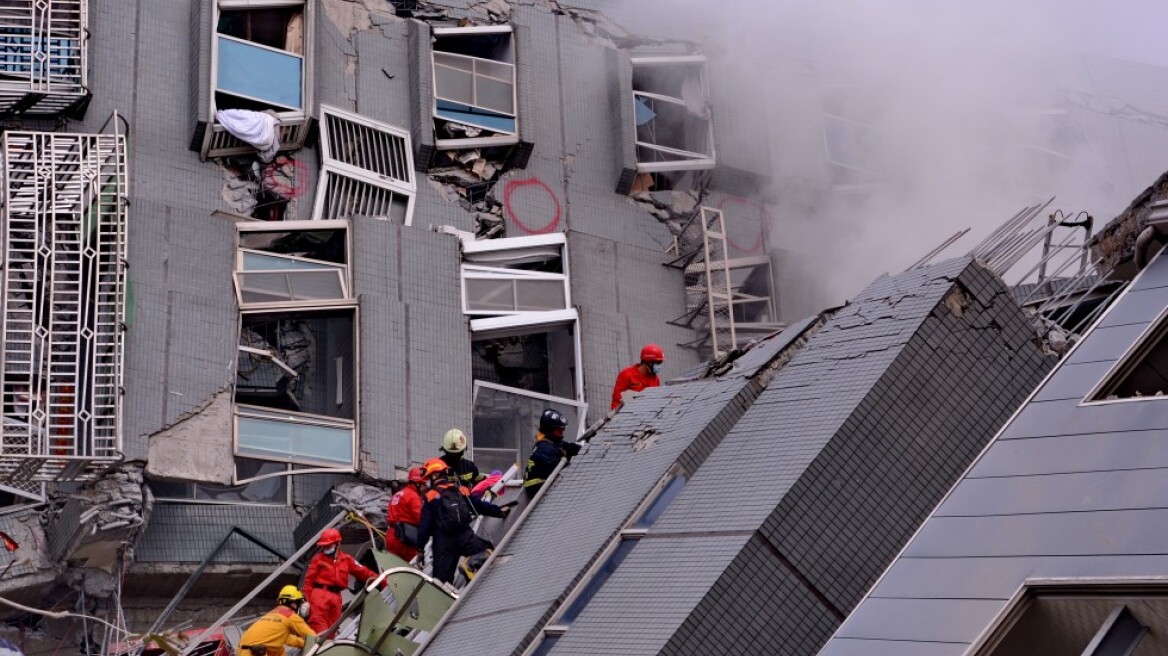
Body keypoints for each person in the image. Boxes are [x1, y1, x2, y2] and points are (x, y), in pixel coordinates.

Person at [416, 457, 511, 584]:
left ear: (435, 475)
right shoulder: (460, 490)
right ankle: (470, 565)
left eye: (429, 478)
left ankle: (450, 602)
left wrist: (420, 550)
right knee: (488, 552)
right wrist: (499, 511)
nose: (428, 482)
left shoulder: (430, 496)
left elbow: (424, 527)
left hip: (442, 543)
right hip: (464, 536)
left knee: (440, 583)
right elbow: (479, 506)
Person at [303, 528, 380, 632]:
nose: (326, 548)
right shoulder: (318, 559)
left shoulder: (347, 560)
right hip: (320, 595)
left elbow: (363, 572)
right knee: (319, 626)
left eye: (328, 545)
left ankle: (328, 647)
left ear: (337, 544)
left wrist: (382, 580)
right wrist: (306, 601)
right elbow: (308, 581)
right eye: (324, 546)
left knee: (332, 629)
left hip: (336, 598)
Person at [239, 585, 315, 656]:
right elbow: (313, 637)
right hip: (256, 651)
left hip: (244, 650)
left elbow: (287, 638)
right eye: (299, 603)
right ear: (293, 603)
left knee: (278, 649)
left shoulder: (273, 614)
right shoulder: (291, 616)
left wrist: (303, 644)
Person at [523, 408, 582, 498]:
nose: (562, 432)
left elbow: (569, 447)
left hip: (544, 487)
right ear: (549, 430)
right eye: (558, 429)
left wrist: (586, 449)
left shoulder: (552, 444)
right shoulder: (544, 449)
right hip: (538, 490)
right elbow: (563, 471)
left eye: (563, 428)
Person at [385, 466, 425, 563]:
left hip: (391, 536)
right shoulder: (413, 496)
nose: (425, 488)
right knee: (412, 571)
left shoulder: (397, 494)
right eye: (423, 484)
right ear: (417, 484)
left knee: (392, 570)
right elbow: (421, 519)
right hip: (406, 539)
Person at [610, 343, 665, 410]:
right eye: (657, 363)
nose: (658, 366)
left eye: (660, 363)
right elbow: (617, 400)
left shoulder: (655, 379)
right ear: (648, 362)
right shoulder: (627, 374)